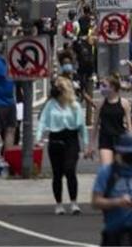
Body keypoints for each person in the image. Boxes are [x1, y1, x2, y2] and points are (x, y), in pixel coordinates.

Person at [37, 76, 92, 214]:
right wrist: (39, 138)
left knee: (69, 169)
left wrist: (86, 145)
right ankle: (59, 204)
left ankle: (74, 203)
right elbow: (43, 121)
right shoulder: (51, 104)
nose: (56, 90)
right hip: (55, 139)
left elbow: (82, 127)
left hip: (71, 139)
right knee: (57, 174)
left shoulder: (74, 105)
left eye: (59, 87)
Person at [94, 75, 132, 166]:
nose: (102, 88)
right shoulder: (101, 103)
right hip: (105, 138)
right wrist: (91, 145)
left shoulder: (124, 103)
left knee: (120, 168)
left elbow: (129, 124)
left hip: (120, 137)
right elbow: (95, 124)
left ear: (113, 87)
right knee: (106, 168)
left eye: (104, 85)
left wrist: (131, 140)